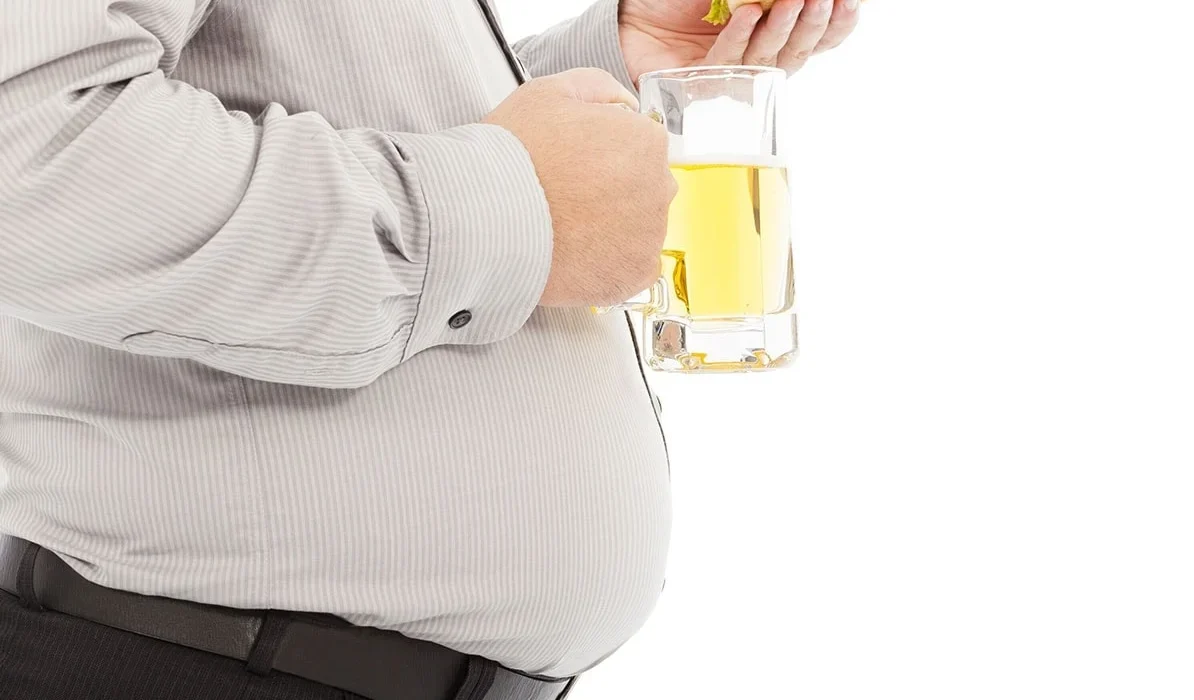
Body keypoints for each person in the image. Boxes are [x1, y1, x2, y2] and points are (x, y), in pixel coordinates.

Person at [0, 0, 859, 697]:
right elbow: (30, 151)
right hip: (195, 663)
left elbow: (343, 109)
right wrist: (520, 206)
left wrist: (611, 60)